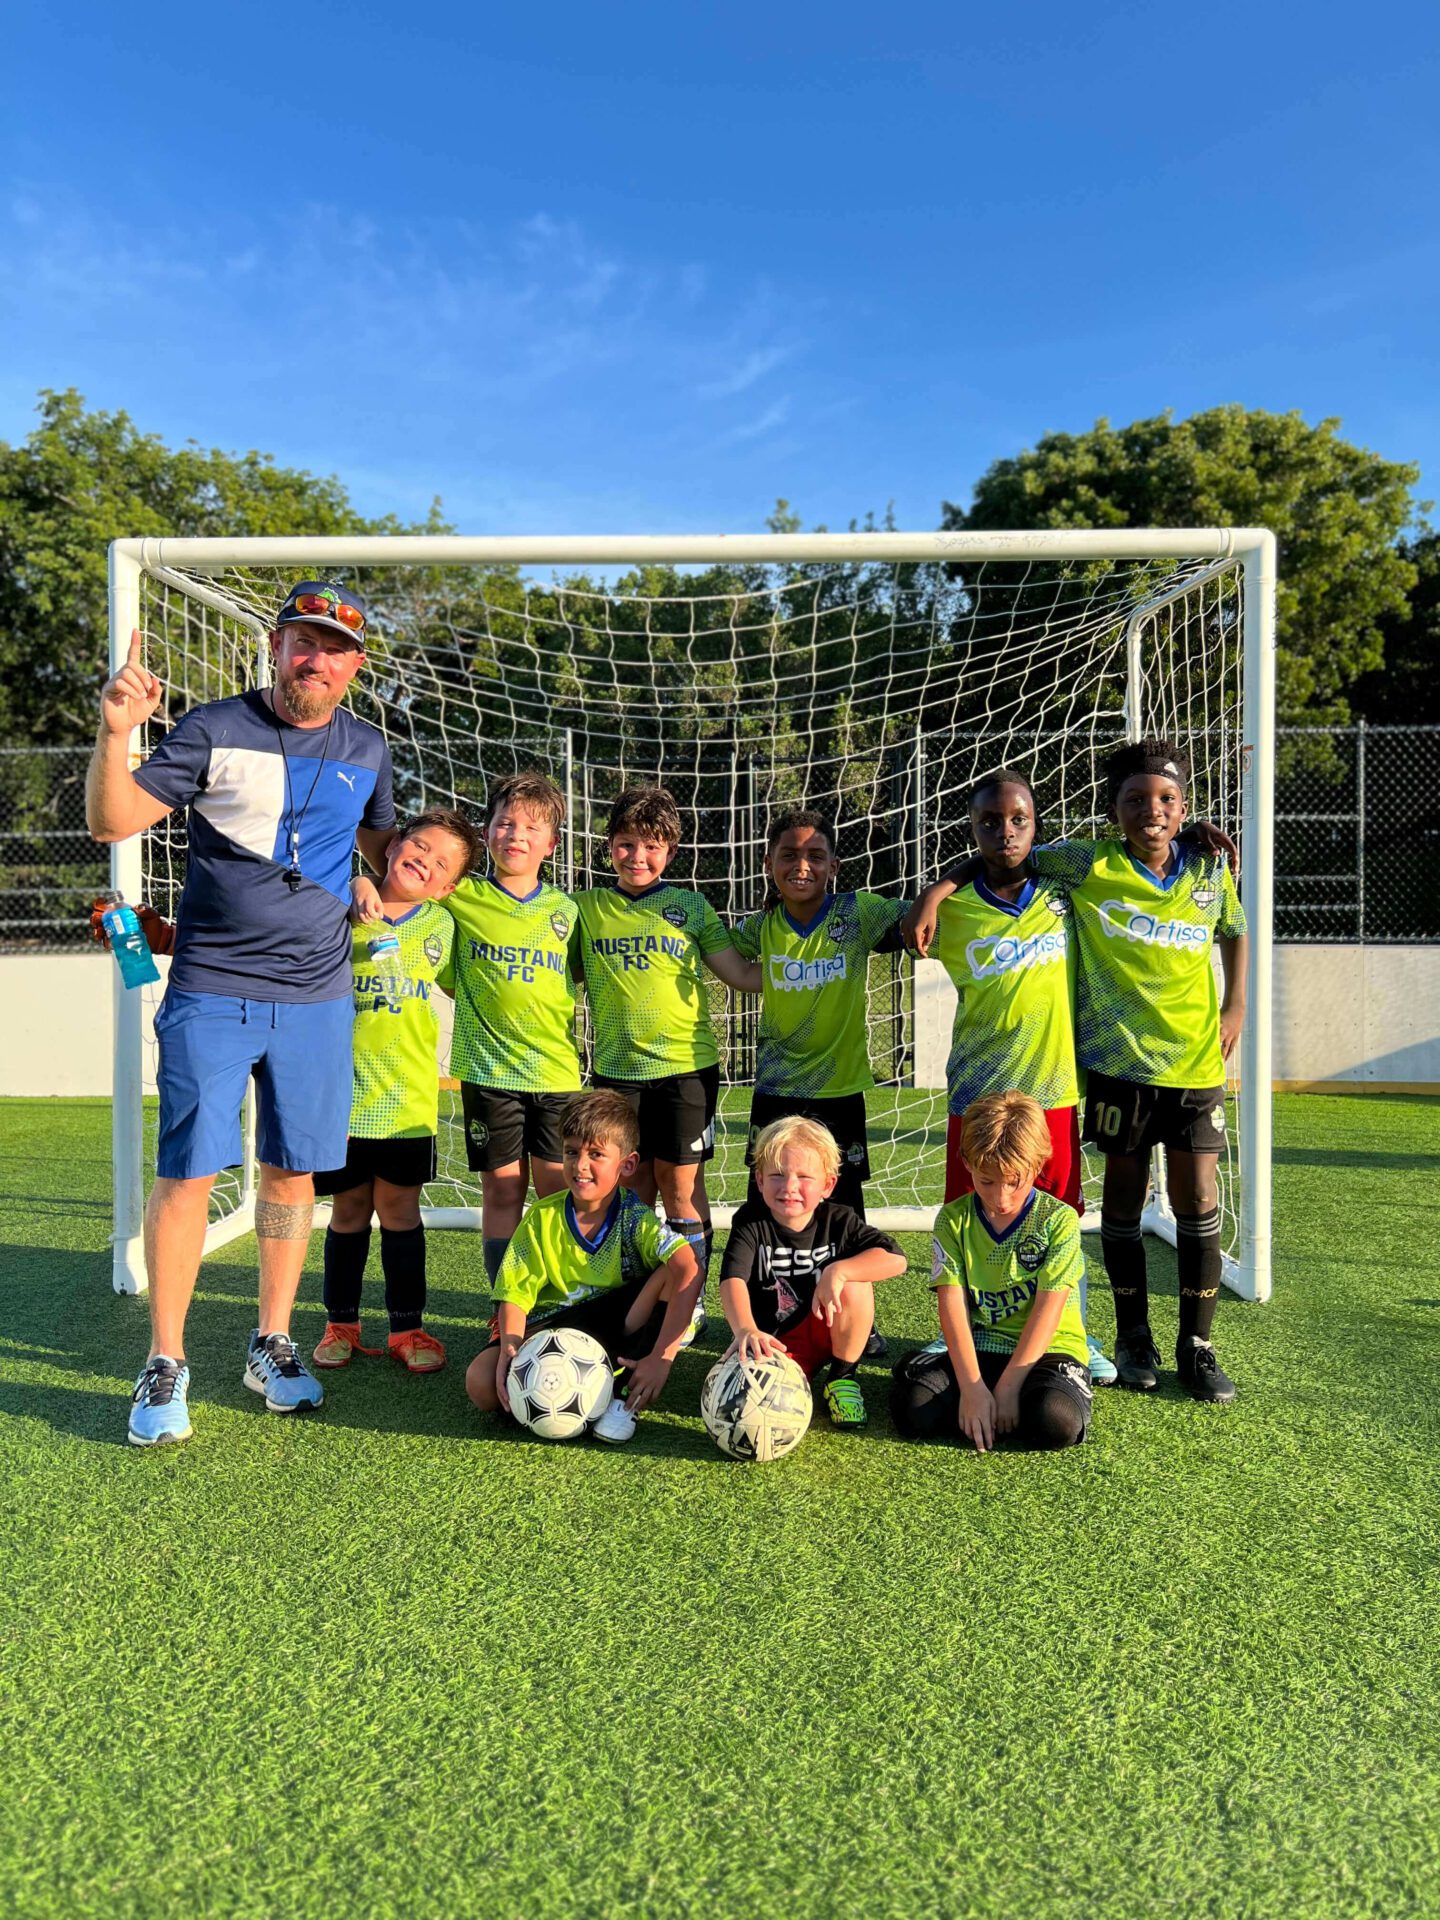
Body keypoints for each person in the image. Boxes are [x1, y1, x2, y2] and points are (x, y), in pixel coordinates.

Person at [86, 581, 397, 1446]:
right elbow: (114, 820)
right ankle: (167, 1358)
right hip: (211, 989)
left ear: (354, 667)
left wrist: (371, 876)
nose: (316, 659)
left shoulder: (370, 748)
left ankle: (272, 1341)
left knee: (293, 1174)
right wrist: (117, 736)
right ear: (274, 643)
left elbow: (375, 837)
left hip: (318, 999)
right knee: (189, 1171)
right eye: (303, 640)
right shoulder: (214, 728)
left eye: (334, 649)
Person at [1027, 740, 1248, 1402]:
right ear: (1114, 810)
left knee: (1198, 1200)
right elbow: (1008, 857)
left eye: (1166, 799)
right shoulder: (1087, 863)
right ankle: (1134, 1337)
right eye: (1135, 800)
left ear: (1183, 809)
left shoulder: (1210, 869)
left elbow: (1233, 928)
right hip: (1117, 1066)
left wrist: (1236, 1002)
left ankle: (1197, 1345)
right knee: (1122, 1196)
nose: (1151, 811)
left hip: (1194, 1064)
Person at [901, 768, 1116, 1385]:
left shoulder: (1063, 889)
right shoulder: (954, 911)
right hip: (977, 1095)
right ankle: (962, 1335)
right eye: (989, 822)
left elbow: (1134, 850)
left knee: (1061, 1218)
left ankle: (1069, 1335)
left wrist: (1196, 836)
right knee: (971, 1214)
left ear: (1036, 823)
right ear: (971, 829)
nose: (1005, 832)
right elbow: (888, 928)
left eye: (1018, 819)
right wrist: (936, 893)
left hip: (1052, 1091)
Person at [354, 771, 584, 1292]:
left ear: (551, 844)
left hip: (556, 1073)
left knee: (556, 1191)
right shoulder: (459, 897)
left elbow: (576, 976)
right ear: (488, 831)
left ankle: (562, 1298)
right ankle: (504, 1305)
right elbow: (398, 876)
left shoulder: (567, 912)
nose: (516, 836)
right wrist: (360, 881)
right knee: (503, 1194)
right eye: (506, 823)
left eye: (531, 828)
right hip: (487, 1073)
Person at [573, 785, 758, 1328]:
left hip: (685, 1071)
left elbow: (741, 975)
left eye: (652, 846)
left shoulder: (691, 907)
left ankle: (688, 1298)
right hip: (615, 1074)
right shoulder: (586, 909)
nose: (638, 857)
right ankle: (637, 1294)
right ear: (608, 846)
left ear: (671, 853)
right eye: (626, 844)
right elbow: (556, 976)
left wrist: (809, 966)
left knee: (681, 1186)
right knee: (630, 1187)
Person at [311, 808, 484, 1374]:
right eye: (419, 847)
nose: (425, 863)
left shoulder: (444, 924)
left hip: (408, 1101)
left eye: (441, 864)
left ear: (450, 885)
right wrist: (356, 881)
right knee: (349, 1211)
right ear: (391, 845)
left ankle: (407, 1328)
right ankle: (341, 1323)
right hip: (341, 1097)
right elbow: (320, 875)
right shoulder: (340, 906)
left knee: (401, 1212)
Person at [463, 1090, 702, 1444]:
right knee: (480, 1384)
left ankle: (620, 1399)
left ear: (627, 1165)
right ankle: (553, 1396)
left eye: (596, 1155)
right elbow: (514, 1293)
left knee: (672, 1270)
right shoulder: (542, 1217)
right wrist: (510, 1349)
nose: (580, 1165)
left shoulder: (635, 1218)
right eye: (572, 1152)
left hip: (614, 1326)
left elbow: (688, 1267)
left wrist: (662, 1358)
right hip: (551, 1325)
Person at [891, 1092, 1093, 1451]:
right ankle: (974, 1399)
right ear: (967, 1161)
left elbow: (1050, 1309)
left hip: (1047, 1351)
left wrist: (1009, 1386)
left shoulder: (1059, 1220)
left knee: (1056, 1420)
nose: (1001, 1197)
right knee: (913, 1411)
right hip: (982, 1345)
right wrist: (971, 1388)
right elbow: (952, 1306)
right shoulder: (953, 1220)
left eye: (1015, 1181)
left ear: (1039, 1163)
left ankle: (1004, 1402)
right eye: (986, 1181)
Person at [730, 810, 906, 1219]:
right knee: (768, 1199)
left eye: (815, 855)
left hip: (839, 1091)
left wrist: (931, 900)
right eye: (789, 855)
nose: (802, 865)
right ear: (767, 863)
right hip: (777, 1089)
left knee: (843, 1207)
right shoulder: (760, 927)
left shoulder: (857, 912)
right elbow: (723, 959)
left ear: (834, 866)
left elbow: (916, 918)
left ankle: (845, 1282)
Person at [718, 1116, 907, 1429]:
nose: (790, 1186)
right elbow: (732, 1280)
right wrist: (745, 1330)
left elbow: (896, 1259)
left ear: (828, 1185)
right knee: (739, 1406)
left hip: (827, 1329)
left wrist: (839, 1270)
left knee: (854, 1281)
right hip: (772, 1343)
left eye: (804, 1176)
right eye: (777, 1175)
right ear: (760, 1181)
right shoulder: (751, 1222)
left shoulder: (840, 1220)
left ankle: (842, 1380)